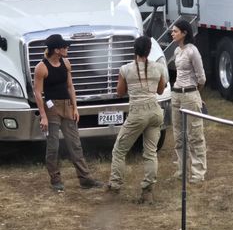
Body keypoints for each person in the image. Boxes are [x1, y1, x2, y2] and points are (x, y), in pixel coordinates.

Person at [34, 34, 103, 192]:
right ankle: (55, 180)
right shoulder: (41, 67)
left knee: (75, 145)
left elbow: (70, 86)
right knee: (53, 147)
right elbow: (38, 93)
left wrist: (75, 107)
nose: (67, 49)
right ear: (56, 50)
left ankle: (85, 179)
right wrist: (43, 116)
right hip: (52, 108)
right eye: (64, 47)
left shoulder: (66, 63)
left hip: (66, 106)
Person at [107, 35, 165, 204]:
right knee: (150, 153)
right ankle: (147, 191)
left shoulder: (126, 69)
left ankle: (115, 185)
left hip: (138, 112)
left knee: (119, 150)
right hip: (155, 110)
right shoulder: (158, 68)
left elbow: (119, 92)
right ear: (149, 50)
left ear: (135, 50)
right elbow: (160, 91)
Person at [171, 19, 207, 184]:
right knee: (178, 135)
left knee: (195, 135)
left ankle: (198, 173)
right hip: (176, 94)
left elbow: (201, 77)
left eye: (175, 31)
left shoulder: (193, 51)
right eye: (172, 31)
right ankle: (181, 170)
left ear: (184, 33)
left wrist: (194, 94)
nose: (172, 33)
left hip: (190, 94)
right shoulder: (177, 51)